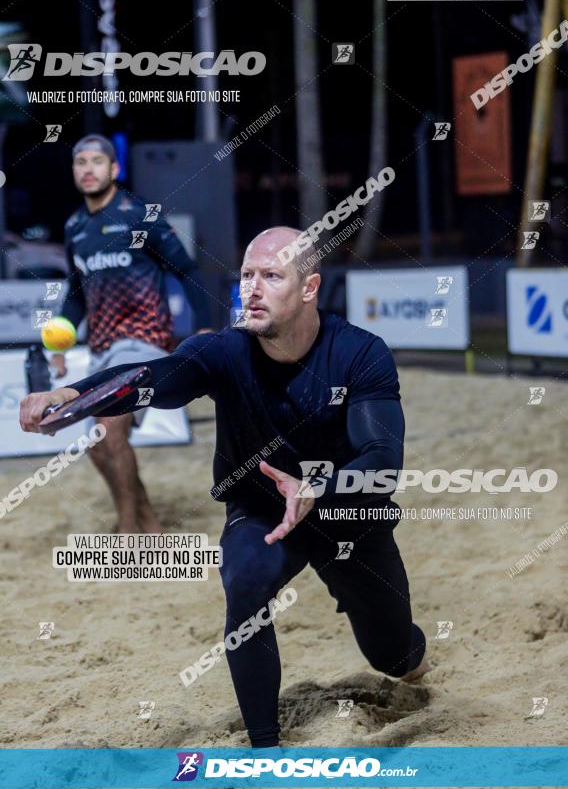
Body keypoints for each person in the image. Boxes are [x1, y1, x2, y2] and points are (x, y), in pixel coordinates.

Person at [20, 226, 429, 747]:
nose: (252, 289)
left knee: (394, 658)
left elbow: (383, 462)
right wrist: (73, 392)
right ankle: (263, 749)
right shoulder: (225, 352)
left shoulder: (359, 354)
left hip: (346, 512)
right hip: (261, 511)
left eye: (271, 276)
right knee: (246, 584)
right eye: (246, 275)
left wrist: (317, 486)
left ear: (309, 288)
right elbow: (153, 376)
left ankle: (409, 656)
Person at [53, 133, 213, 533]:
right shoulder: (74, 226)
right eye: (80, 162)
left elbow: (188, 271)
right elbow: (76, 293)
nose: (88, 169)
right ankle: (148, 521)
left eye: (96, 161)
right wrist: (60, 339)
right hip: (102, 348)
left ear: (114, 169)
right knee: (97, 447)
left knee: (110, 429)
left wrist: (205, 326)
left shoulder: (138, 214)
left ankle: (128, 529)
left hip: (142, 342)